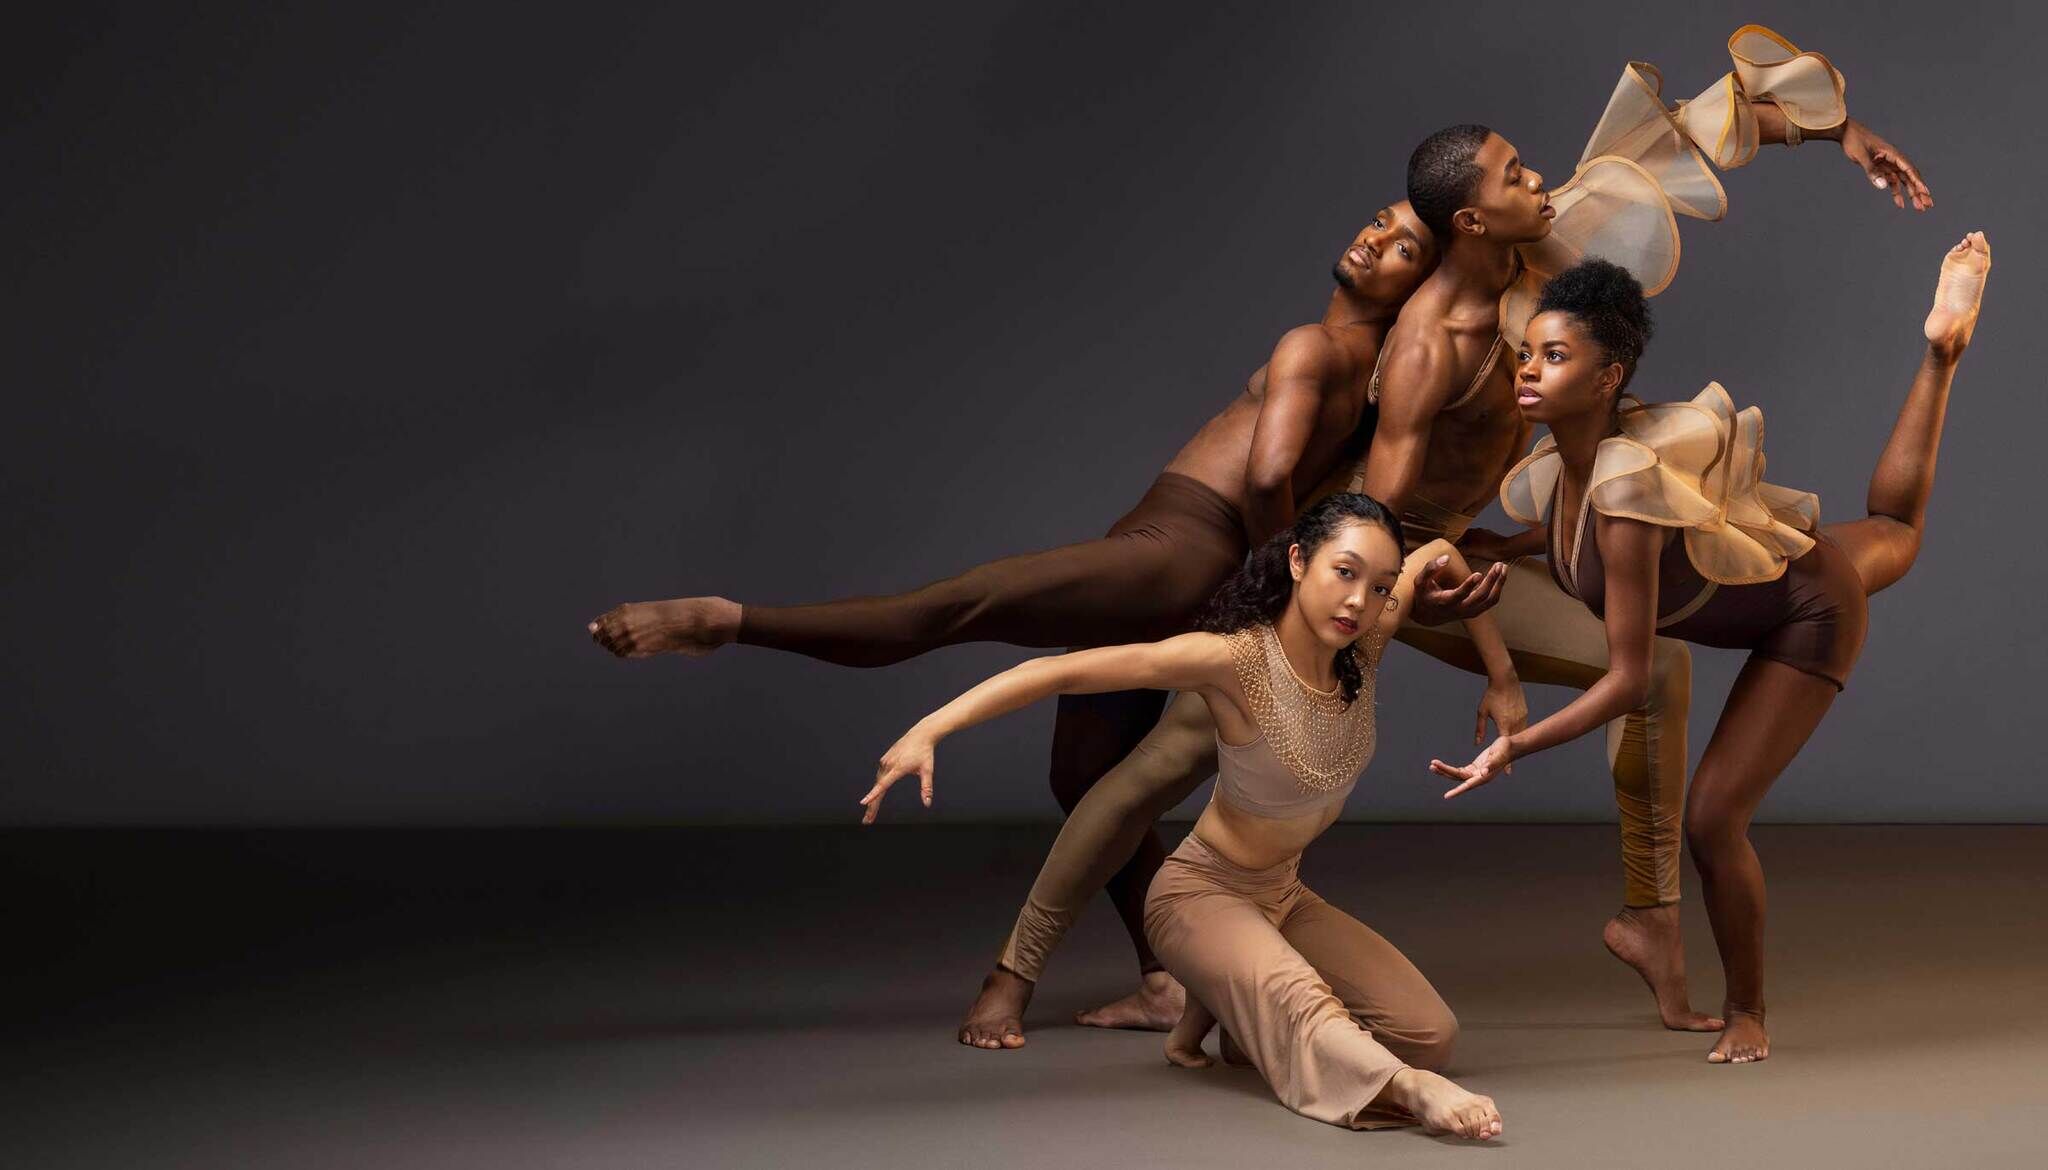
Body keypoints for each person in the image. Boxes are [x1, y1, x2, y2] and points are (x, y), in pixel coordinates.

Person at [965, 24, 1938, 1048]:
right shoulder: (1428, 351)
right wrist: (1404, 620)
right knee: (1169, 758)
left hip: (1463, 558)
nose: (1543, 184)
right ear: (1475, 218)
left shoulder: (1541, 243)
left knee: (1652, 673)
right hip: (1379, 574)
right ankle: (1010, 976)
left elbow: (1698, 130)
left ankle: (1648, 920)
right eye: (1516, 175)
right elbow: (1376, 518)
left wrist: (1841, 136)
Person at [591, 206, 1506, 1031]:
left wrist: (1273, 584)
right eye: (1381, 224)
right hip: (1184, 556)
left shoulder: (1316, 346)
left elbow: (1268, 477)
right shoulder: (1372, 383)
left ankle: (730, 621)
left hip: (1178, 550)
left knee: (961, 605)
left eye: (1403, 252)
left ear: (1413, 289)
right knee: (1085, 776)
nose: (1374, 242)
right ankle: (1164, 978)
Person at [1430, 236, 1990, 1065]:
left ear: (1607, 379)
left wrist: (1519, 742)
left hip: (1807, 612)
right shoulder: (1564, 464)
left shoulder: (1623, 499)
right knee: (1896, 530)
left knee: (1714, 819)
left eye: (1554, 356)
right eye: (1526, 354)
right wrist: (1504, 551)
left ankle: (1748, 1010)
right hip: (1782, 556)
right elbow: (1572, 539)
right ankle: (1942, 351)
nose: (1528, 370)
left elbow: (1627, 680)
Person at [863, 493, 1515, 1138]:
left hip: (1282, 895)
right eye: (1343, 573)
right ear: (1297, 562)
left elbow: (1443, 554)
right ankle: (1400, 1084)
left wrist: (1503, 676)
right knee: (1312, 1008)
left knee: (1430, 1033)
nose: (1358, 601)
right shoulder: (1233, 663)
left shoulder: (1364, 642)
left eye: (1377, 586)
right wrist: (932, 727)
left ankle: (1230, 1010)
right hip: (1198, 896)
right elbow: (1061, 674)